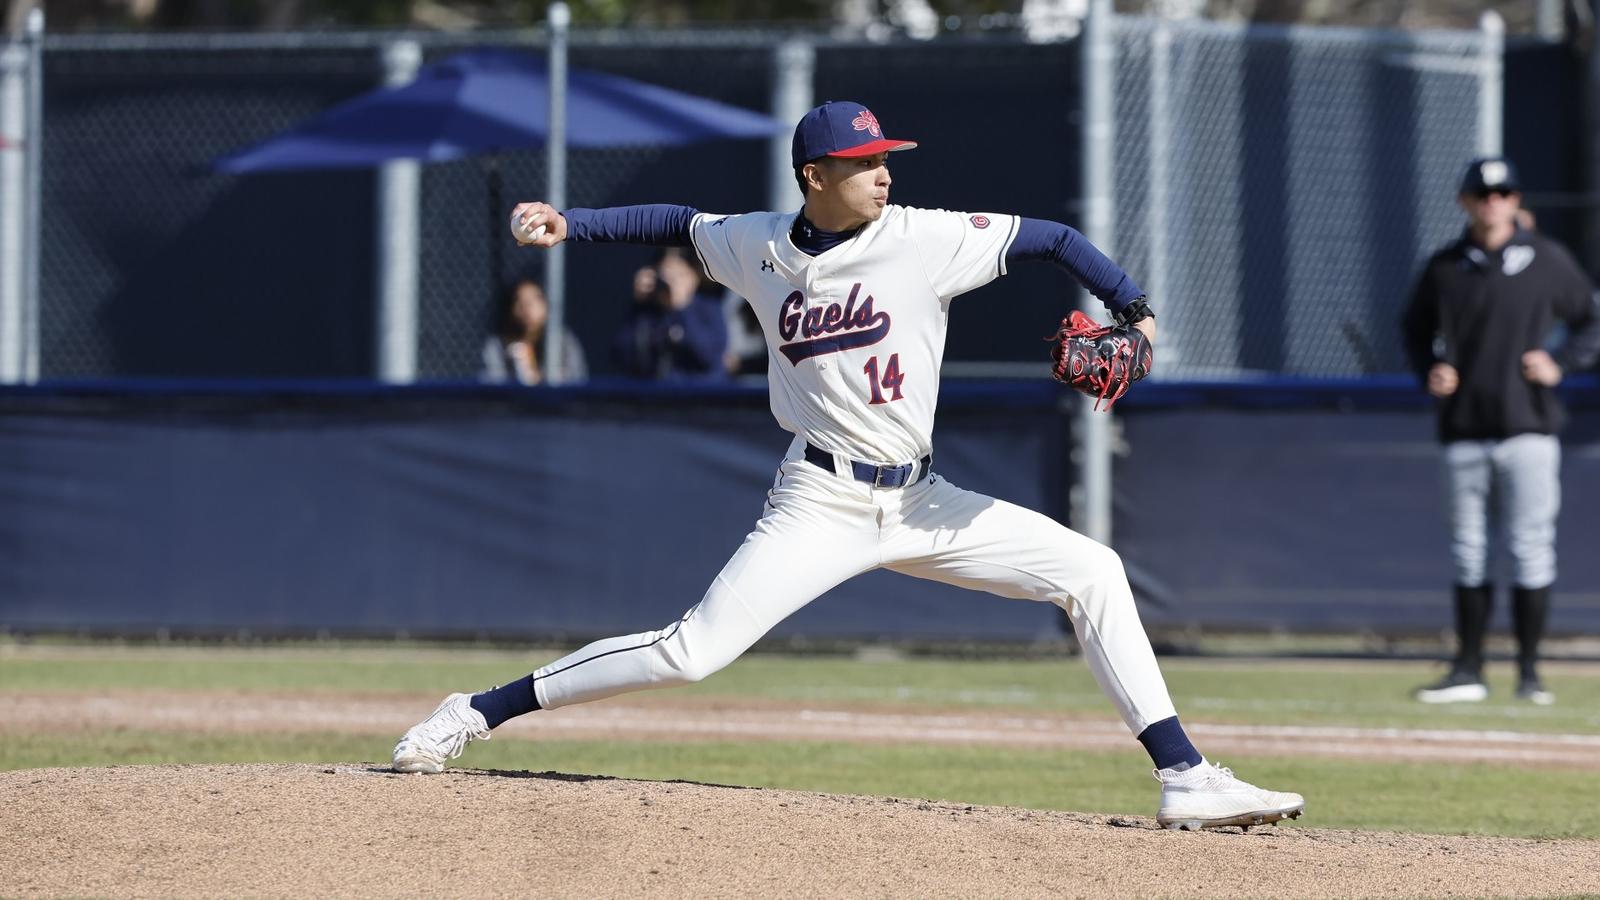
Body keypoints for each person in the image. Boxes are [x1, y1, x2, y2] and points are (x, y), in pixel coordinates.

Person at [393, 101, 1305, 831]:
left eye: (885, 157)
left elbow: (1054, 240)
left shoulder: (923, 235)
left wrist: (1136, 312)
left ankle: (1183, 773)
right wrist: (570, 222)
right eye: (867, 162)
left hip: (922, 502)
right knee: (689, 652)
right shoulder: (757, 243)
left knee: (1093, 571)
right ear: (814, 177)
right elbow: (677, 220)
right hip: (818, 500)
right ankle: (475, 709)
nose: (885, 173)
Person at [1403, 156, 1600, 706]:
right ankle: (1469, 668)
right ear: (1465, 201)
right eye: (1483, 194)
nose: (1494, 201)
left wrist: (1562, 363)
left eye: (1503, 193)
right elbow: (1414, 329)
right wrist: (1429, 370)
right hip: (1464, 427)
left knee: (1531, 547)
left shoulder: (1546, 260)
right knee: (1469, 551)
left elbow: (1591, 320)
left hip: (1528, 428)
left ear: (1516, 200)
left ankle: (1530, 673)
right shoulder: (1446, 265)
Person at [612, 246, 730, 382]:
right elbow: (621, 354)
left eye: (679, 275)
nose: (671, 283)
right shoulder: (647, 311)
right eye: (665, 275)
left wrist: (682, 308)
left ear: (694, 277)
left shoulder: (709, 308)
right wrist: (638, 305)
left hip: (700, 396)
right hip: (656, 397)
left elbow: (709, 356)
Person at [481, 277, 588, 385]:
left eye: (534, 300)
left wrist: (541, 378)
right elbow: (493, 383)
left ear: (545, 306)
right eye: (519, 301)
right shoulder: (497, 345)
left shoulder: (563, 340)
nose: (526, 308)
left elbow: (577, 378)